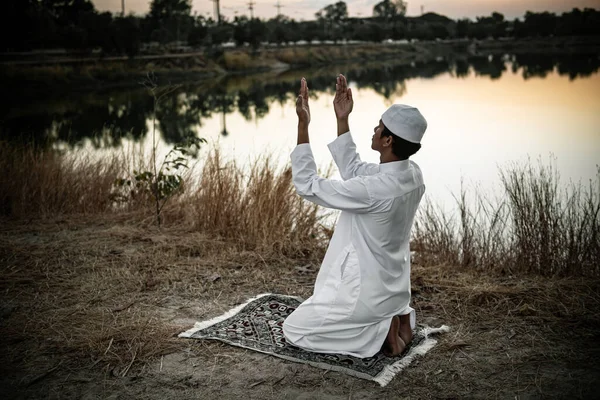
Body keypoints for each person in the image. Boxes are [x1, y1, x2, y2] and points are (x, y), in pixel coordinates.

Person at [282, 74, 427, 358]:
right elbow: (355, 171)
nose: (374, 129)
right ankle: (398, 319)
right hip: (394, 290)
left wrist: (303, 124)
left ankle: (379, 329)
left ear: (387, 140)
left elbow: (308, 185)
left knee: (295, 329)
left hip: (366, 295)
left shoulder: (373, 189)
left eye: (379, 127)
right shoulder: (413, 175)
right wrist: (342, 118)